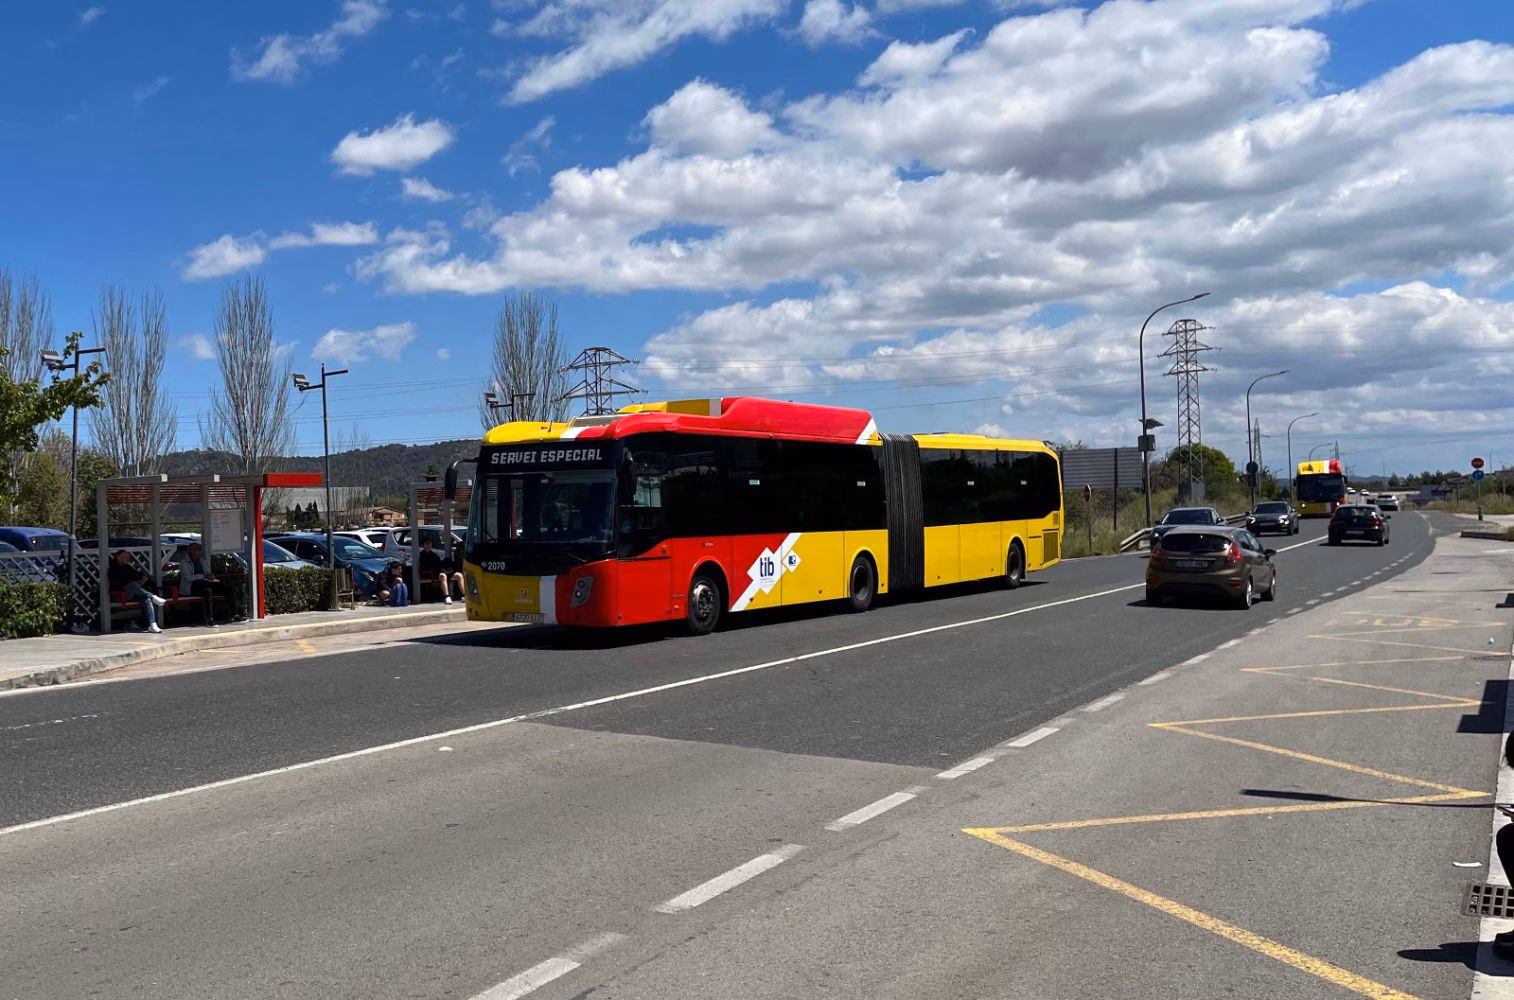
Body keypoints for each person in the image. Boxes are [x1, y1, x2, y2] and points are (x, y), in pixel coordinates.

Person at [108, 549, 166, 633]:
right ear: (118, 557)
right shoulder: (112, 568)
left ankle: (152, 624)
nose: (126, 559)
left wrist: (142, 578)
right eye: (124, 557)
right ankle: (153, 596)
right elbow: (117, 583)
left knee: (147, 599)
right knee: (133, 585)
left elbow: (138, 575)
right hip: (122, 595)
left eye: (128, 557)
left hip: (134, 594)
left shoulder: (128, 567)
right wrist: (131, 581)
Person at [175, 542, 232, 626]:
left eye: (198, 550)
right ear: (189, 551)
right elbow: (188, 578)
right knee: (208, 592)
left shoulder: (202, 561)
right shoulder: (184, 563)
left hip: (205, 583)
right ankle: (210, 618)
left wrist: (211, 576)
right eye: (194, 550)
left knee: (226, 588)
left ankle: (234, 614)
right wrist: (203, 576)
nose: (196, 552)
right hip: (192, 586)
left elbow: (207, 573)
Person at [418, 537, 464, 604]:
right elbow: (425, 567)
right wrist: (442, 570)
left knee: (459, 575)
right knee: (443, 576)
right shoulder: (421, 555)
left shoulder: (434, 555)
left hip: (444, 571)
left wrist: (448, 569)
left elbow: (440, 564)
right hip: (433, 574)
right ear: (423, 545)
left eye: (430, 544)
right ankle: (447, 596)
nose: (429, 545)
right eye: (427, 544)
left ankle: (464, 595)